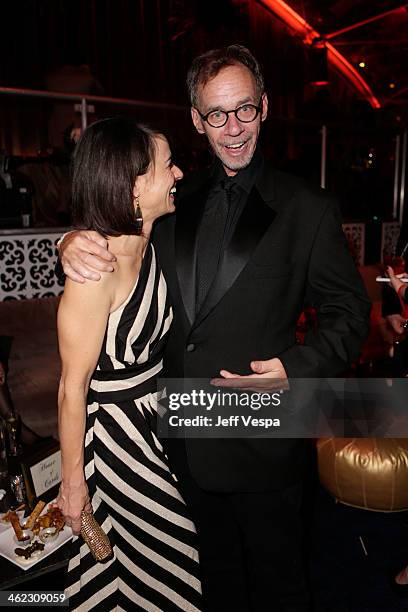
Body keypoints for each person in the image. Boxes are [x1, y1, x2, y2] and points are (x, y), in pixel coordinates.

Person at [59, 46, 370, 611]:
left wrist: (294, 369)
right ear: (197, 120)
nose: (233, 129)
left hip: (263, 431)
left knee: (280, 583)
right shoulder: (173, 197)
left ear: (265, 108)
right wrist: (71, 241)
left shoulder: (309, 207)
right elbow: (117, 234)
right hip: (174, 437)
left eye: (245, 109)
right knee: (207, 582)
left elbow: (350, 314)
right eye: (217, 114)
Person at [56, 117, 201, 611]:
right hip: (115, 436)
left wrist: (66, 237)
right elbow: (71, 389)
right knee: (174, 553)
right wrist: (73, 486)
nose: (178, 174)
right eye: (167, 166)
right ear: (135, 185)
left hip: (151, 419)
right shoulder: (96, 269)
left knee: (134, 571)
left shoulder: (151, 243)